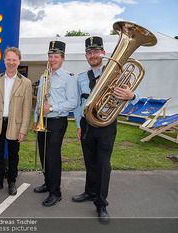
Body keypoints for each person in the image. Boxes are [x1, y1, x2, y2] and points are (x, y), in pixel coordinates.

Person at [72, 36, 139, 224]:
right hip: (86, 125)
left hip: (106, 124)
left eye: (96, 51)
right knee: (89, 162)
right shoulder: (81, 77)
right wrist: (78, 125)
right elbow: (78, 103)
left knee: (103, 165)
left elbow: (133, 93)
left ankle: (101, 204)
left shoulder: (115, 73)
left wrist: (131, 95)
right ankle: (90, 191)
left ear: (103, 52)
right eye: (89, 52)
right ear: (86, 55)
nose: (92, 55)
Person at [33, 41, 78, 207]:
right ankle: (47, 183)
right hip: (42, 121)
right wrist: (35, 119)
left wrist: (52, 108)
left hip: (57, 122)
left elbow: (72, 102)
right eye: (50, 56)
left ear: (63, 58)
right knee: (44, 155)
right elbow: (39, 100)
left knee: (52, 157)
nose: (52, 59)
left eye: (56, 56)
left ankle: (55, 192)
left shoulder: (69, 78)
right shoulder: (44, 76)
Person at [0, 47, 32, 197]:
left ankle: (12, 181)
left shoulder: (26, 83)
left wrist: (23, 130)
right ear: (4, 60)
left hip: (15, 125)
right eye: (8, 59)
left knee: (13, 155)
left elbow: (26, 109)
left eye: (14, 60)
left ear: (19, 61)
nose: (11, 62)